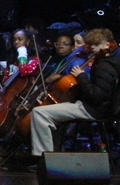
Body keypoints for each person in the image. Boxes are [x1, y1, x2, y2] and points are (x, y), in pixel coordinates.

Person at [30, 28, 120, 158]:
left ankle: (44, 158)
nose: (92, 48)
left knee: (39, 113)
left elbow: (96, 96)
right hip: (95, 107)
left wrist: (81, 76)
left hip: (92, 109)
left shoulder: (104, 66)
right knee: (52, 111)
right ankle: (55, 151)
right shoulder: (110, 62)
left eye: (96, 45)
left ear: (107, 45)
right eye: (91, 44)